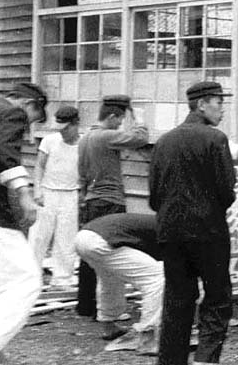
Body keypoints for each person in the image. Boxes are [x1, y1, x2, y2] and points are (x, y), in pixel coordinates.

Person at [149, 81, 236, 365]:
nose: (222, 109)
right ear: (201, 105)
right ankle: (205, 360)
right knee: (217, 299)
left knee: (177, 299)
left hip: (170, 232)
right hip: (208, 232)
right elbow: (227, 191)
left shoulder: (164, 141)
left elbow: (154, 194)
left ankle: (170, 361)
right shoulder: (216, 139)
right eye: (219, 103)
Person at [0, 82, 47, 364]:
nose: (28, 129)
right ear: (29, 104)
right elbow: (4, 153)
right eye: (33, 120)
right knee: (26, 281)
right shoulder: (12, 112)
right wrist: (24, 194)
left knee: (3, 285)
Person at [77, 95, 149, 317]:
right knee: (112, 256)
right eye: (119, 120)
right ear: (110, 117)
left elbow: (81, 173)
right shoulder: (106, 136)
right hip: (109, 201)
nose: (119, 124)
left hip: (91, 199)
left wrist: (83, 197)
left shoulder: (85, 138)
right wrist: (139, 118)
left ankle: (86, 305)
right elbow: (140, 138)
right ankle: (110, 310)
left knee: (89, 256)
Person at [74, 212, 163, 355]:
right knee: (156, 278)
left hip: (83, 237)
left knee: (110, 280)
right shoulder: (173, 231)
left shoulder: (160, 223)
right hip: (102, 241)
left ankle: (108, 326)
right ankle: (148, 339)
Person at [29, 106, 81, 288]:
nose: (62, 133)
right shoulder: (50, 141)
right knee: (39, 236)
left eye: (66, 128)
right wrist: (37, 190)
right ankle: (31, 276)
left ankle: (62, 278)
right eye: (60, 128)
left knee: (66, 238)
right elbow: (39, 166)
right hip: (48, 192)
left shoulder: (83, 144)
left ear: (76, 124)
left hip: (70, 194)